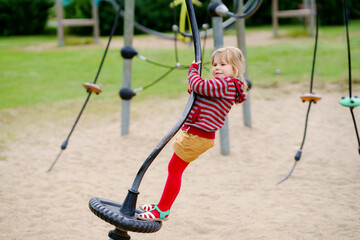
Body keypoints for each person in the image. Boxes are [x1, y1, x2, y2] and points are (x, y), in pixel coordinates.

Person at [137, 46, 247, 221]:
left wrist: (193, 72)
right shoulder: (222, 85)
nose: (217, 68)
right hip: (195, 134)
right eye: (215, 64)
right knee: (174, 169)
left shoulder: (227, 84)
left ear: (235, 69)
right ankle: (161, 205)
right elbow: (201, 92)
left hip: (198, 136)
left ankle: (163, 210)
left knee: (174, 170)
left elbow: (198, 85)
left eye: (223, 64)